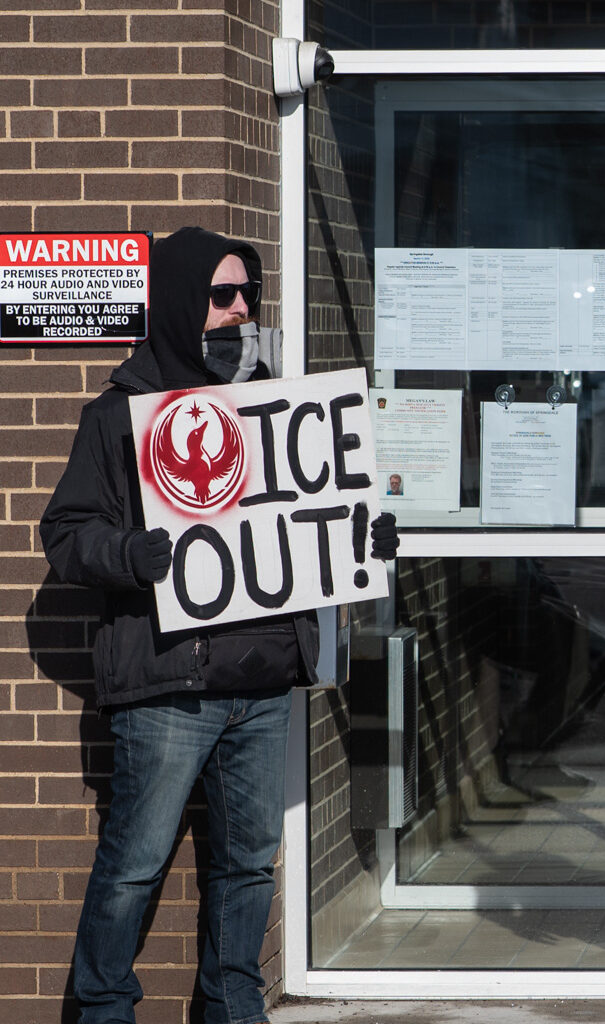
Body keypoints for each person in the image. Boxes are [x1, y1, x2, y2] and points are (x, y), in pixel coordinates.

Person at [40, 226, 400, 1024]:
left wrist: (360, 539)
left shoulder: (274, 410)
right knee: (134, 866)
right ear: (178, 303)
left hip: (263, 685)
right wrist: (135, 552)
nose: (238, 311)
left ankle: (233, 1007)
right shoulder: (119, 418)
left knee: (247, 867)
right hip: (168, 686)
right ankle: (101, 1010)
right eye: (220, 296)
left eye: (247, 296)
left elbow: (300, 531)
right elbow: (63, 535)